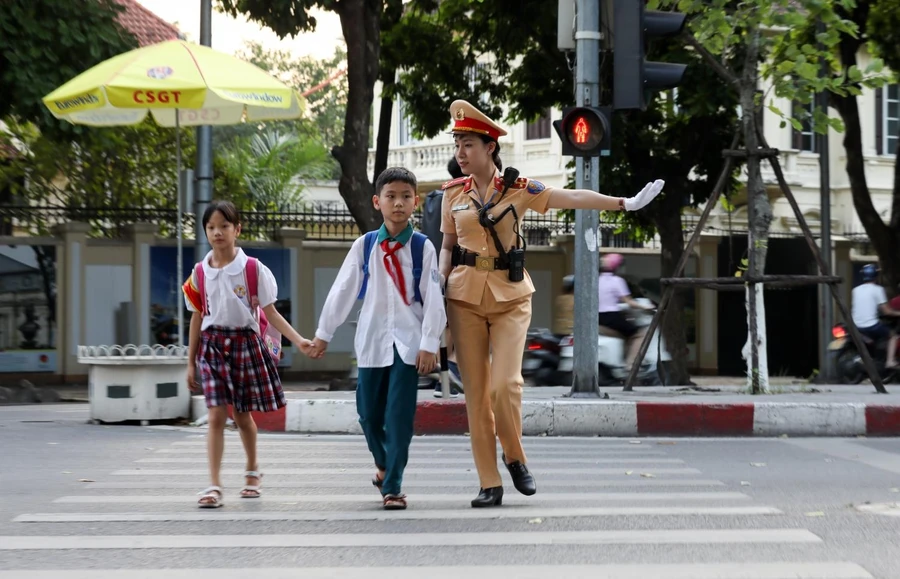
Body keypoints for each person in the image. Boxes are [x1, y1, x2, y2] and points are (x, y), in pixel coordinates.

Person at [438, 100, 665, 508]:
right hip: (464, 298)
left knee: (505, 386)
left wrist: (623, 203)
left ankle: (515, 457)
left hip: (510, 297)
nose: (460, 151)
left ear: (490, 147)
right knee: (475, 395)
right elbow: (447, 245)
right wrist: (440, 278)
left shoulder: (520, 189)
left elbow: (571, 195)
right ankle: (489, 482)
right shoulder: (452, 194)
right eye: (457, 143)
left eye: (468, 143)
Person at [309, 167, 446, 510]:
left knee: (398, 417)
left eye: (405, 196)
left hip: (408, 345)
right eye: (391, 196)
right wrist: (324, 333)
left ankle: (394, 486)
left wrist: (430, 343)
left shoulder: (421, 247)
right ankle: (384, 465)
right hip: (372, 343)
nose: (398, 203)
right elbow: (343, 290)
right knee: (369, 415)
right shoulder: (365, 245)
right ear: (377, 201)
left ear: (415, 201)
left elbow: (433, 297)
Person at [182, 200, 316, 508]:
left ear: (237, 229)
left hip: (245, 344)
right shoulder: (199, 273)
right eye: (211, 227)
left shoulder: (254, 269)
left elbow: (271, 312)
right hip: (212, 347)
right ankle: (214, 485)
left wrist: (298, 340)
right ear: (205, 231)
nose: (217, 233)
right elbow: (197, 317)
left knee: (242, 416)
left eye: (224, 226)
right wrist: (190, 362)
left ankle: (252, 471)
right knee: (215, 415)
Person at [597, 253, 654, 370]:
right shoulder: (617, 281)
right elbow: (630, 302)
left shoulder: (595, 280)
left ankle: (621, 362)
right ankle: (631, 364)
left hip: (597, 318)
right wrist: (647, 308)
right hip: (611, 317)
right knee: (640, 334)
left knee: (624, 334)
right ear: (617, 267)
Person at [851, 264, 900, 368]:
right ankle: (890, 361)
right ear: (876, 276)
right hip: (871, 325)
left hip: (856, 325)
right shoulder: (878, 289)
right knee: (893, 336)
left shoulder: (855, 290)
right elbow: (887, 311)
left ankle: (868, 358)